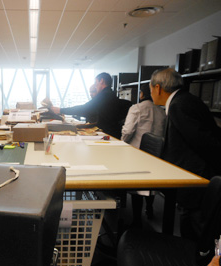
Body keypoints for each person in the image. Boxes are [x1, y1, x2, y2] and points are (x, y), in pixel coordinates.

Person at [149, 67, 221, 240]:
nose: (151, 94)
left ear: (158, 88)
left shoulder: (179, 106)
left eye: (150, 89)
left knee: (196, 229)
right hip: (195, 178)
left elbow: (204, 143)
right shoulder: (185, 100)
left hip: (195, 180)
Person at [121, 84, 166, 225]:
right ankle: (150, 208)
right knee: (150, 185)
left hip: (137, 152)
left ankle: (136, 219)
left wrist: (122, 143)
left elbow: (128, 131)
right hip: (156, 153)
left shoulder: (136, 108)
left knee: (137, 187)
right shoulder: (162, 111)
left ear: (142, 94)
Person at [50, 72, 131, 139]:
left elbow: (84, 109)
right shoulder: (111, 94)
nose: (95, 86)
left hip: (107, 133)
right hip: (112, 133)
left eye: (96, 82)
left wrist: (60, 110)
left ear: (101, 81)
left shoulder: (104, 95)